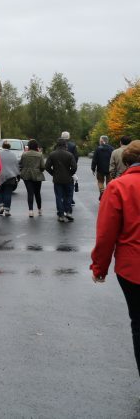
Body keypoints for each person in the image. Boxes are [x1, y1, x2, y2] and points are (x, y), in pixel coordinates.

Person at [90, 140, 140, 377]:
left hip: (134, 269)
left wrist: (99, 267)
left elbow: (106, 233)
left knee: (139, 324)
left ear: (127, 162)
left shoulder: (119, 187)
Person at [45, 139, 78, 222]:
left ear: (57, 145)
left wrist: (53, 173)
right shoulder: (69, 155)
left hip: (57, 179)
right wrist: (70, 173)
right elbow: (74, 167)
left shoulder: (52, 154)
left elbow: (47, 166)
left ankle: (61, 215)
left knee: (59, 197)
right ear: (65, 145)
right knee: (69, 196)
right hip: (68, 179)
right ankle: (68, 212)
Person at [19, 139, 46, 217]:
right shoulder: (40, 155)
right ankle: (39, 209)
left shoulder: (24, 154)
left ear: (29, 146)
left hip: (26, 175)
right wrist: (39, 170)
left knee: (30, 193)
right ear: (36, 146)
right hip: (37, 175)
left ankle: (30, 211)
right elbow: (43, 166)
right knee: (37, 193)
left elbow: (21, 164)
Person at [0, 141, 20, 216]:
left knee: (0, 191)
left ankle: (1, 206)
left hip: (0, 176)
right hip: (11, 176)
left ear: (2, 146)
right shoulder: (13, 155)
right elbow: (16, 165)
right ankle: (7, 210)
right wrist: (18, 176)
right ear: (9, 147)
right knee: (8, 193)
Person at [61, 131, 80, 201]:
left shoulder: (58, 146)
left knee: (61, 182)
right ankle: (70, 198)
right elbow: (76, 157)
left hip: (60, 167)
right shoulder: (72, 145)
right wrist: (74, 165)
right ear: (68, 137)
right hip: (70, 167)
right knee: (70, 183)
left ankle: (63, 196)